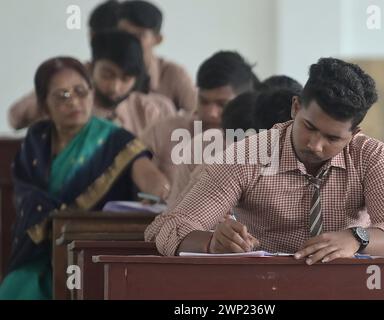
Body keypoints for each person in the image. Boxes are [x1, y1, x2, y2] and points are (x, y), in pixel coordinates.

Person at [145, 57, 384, 263]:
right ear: (295, 107)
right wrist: (211, 244)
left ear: (354, 133)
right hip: (260, 291)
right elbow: (169, 227)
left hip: (345, 287)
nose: (315, 145)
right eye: (309, 127)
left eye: (332, 138)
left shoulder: (371, 157)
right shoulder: (247, 155)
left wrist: (357, 238)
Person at [0, 57, 169, 300]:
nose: (75, 102)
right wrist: (52, 219)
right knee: (17, 287)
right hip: (38, 250)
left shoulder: (115, 139)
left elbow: (155, 183)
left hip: (92, 249)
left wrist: (160, 194)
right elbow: (26, 195)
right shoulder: (37, 139)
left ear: (91, 93)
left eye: (81, 92)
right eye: (63, 96)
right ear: (45, 105)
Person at [8, 31, 176, 136]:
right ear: (90, 67)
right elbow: (15, 118)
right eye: (107, 75)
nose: (115, 87)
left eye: (125, 79)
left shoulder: (151, 110)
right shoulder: (68, 98)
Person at [140, 51, 259, 184]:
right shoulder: (163, 131)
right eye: (204, 101)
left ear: (244, 102)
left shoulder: (256, 144)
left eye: (222, 104)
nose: (210, 113)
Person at [118, 0, 197, 112]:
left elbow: (200, 115)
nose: (129, 42)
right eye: (123, 34)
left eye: (139, 35)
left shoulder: (174, 74)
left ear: (157, 40)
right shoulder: (101, 71)